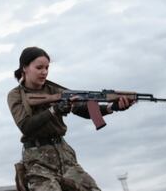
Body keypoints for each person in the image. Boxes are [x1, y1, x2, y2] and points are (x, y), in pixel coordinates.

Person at [7, 47, 134, 191]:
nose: (44, 72)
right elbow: (26, 126)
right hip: (37, 161)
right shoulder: (16, 95)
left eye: (47, 68)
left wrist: (112, 107)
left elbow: (82, 108)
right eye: (39, 67)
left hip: (65, 155)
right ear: (24, 68)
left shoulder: (56, 90)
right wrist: (55, 109)